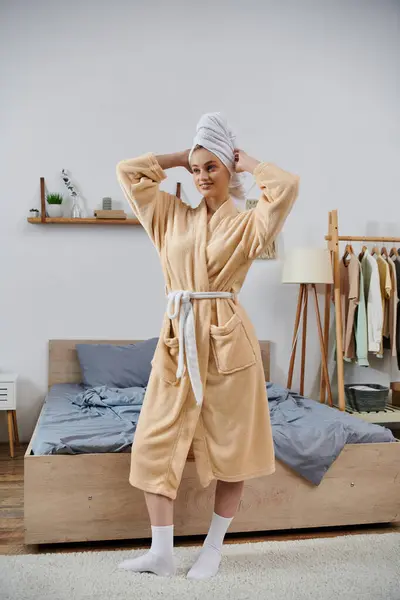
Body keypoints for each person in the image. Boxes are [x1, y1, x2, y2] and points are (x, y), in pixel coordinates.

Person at [116, 113, 299, 580]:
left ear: (228, 169)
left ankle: (213, 551)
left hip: (227, 343)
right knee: (153, 445)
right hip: (178, 341)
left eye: (210, 168)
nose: (200, 177)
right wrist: (182, 155)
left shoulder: (248, 226)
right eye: (195, 170)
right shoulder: (170, 216)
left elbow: (286, 189)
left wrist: (248, 162)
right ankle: (161, 552)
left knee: (232, 451)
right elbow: (128, 173)